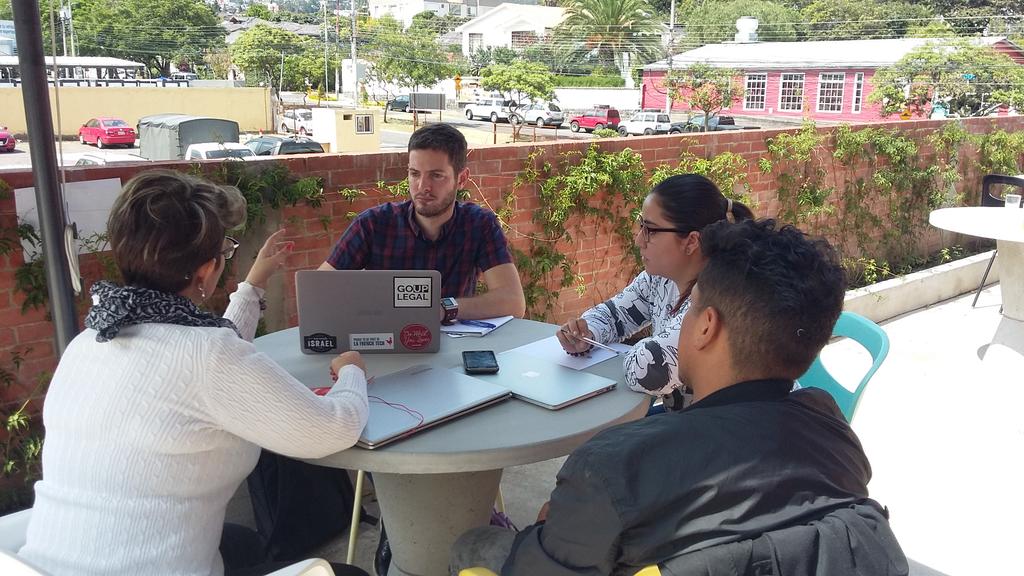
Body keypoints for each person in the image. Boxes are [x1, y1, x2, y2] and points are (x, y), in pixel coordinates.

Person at [451, 219, 908, 575]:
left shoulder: (612, 465)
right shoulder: (838, 439)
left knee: (471, 545)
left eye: (689, 307)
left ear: (707, 326)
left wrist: (554, 529)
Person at [18, 170, 371, 576]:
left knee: (244, 543)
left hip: (41, 564)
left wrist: (252, 286)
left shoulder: (90, 340)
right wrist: (351, 373)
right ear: (206, 271)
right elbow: (332, 429)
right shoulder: (207, 356)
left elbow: (205, 361)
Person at [557, 174, 753, 408]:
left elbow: (648, 371)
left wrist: (627, 350)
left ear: (691, 241)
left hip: (736, 434)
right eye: (641, 226)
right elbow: (614, 315)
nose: (639, 240)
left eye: (650, 230)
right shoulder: (659, 279)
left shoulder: (719, 295)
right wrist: (586, 334)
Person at [319, 122, 526, 321]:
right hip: (385, 344)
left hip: (451, 346)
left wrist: (444, 309)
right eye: (414, 174)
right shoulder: (373, 224)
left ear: (461, 179)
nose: (422, 186)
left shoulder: (479, 225)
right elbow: (320, 290)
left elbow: (513, 302)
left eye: (436, 176)